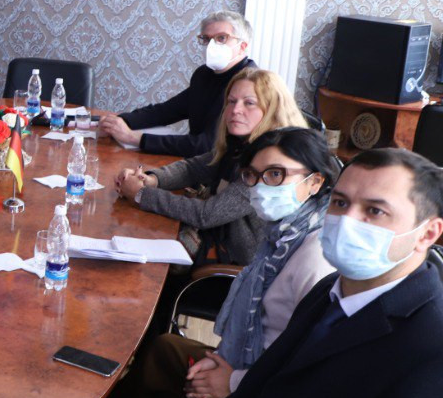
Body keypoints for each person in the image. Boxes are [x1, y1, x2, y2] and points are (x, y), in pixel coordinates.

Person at [56, 147, 443, 398]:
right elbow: (258, 390)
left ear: (427, 233)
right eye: (341, 203)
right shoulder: (331, 292)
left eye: (375, 211)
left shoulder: (430, 350)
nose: (348, 221)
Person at [107, 127, 337, 398]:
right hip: (242, 361)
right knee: (163, 350)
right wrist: (222, 360)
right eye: (252, 176)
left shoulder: (315, 257)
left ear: (315, 182)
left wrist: (232, 382)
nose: (260, 187)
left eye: (276, 174)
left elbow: (310, 366)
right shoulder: (280, 237)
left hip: (267, 395)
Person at [115, 68, 306, 266]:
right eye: (231, 101)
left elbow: (206, 215)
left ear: (272, 110)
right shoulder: (240, 144)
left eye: (249, 103)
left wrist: (141, 194)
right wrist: (151, 179)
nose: (235, 110)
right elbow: (192, 168)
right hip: (219, 235)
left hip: (236, 261)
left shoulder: (269, 164)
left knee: (140, 248)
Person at [100, 12, 255, 158]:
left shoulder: (249, 83)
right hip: (197, 165)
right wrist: (118, 121)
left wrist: (134, 138)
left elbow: (207, 145)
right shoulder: (204, 74)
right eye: (207, 39)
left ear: (242, 46)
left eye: (221, 38)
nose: (211, 46)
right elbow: (167, 111)